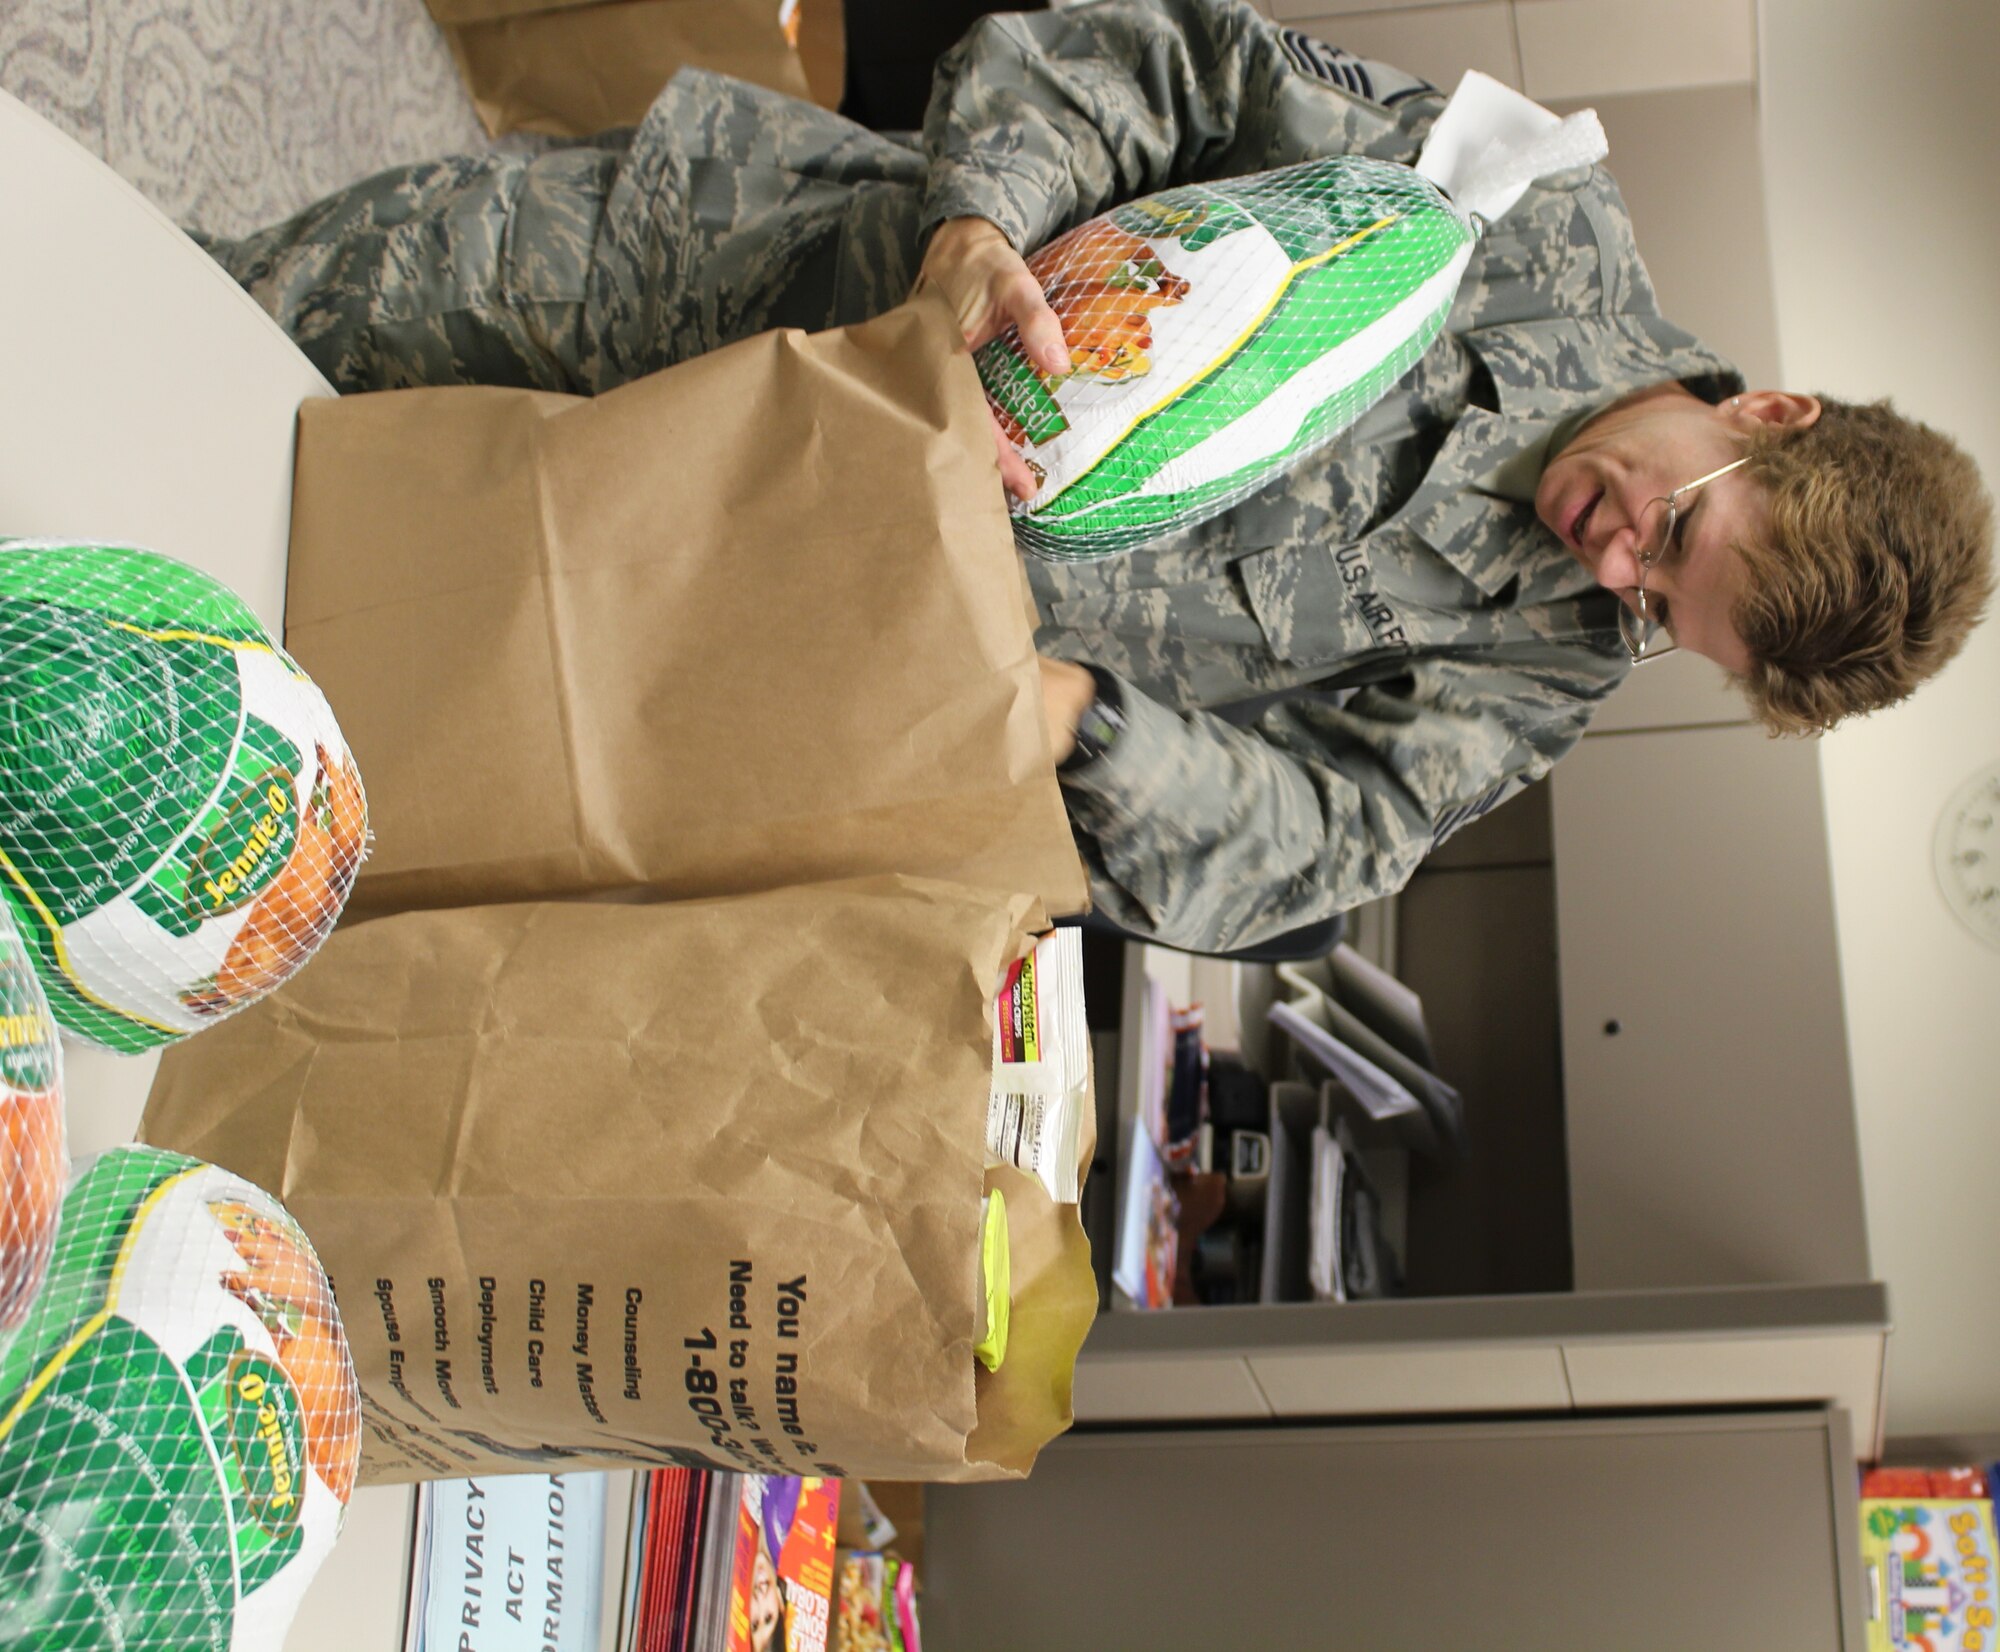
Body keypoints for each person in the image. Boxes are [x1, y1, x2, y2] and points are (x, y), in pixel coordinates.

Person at [196, 0, 1994, 955]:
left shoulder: (1536, 678)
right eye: (1675, 530)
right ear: (1770, 414)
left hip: (740, 600)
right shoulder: (1526, 213)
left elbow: (1319, 843)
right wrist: (982, 221)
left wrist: (1087, 728)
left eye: (1665, 616)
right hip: (728, 280)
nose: (1616, 575)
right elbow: (1161, 65)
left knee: (288, 628)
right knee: (254, 318)